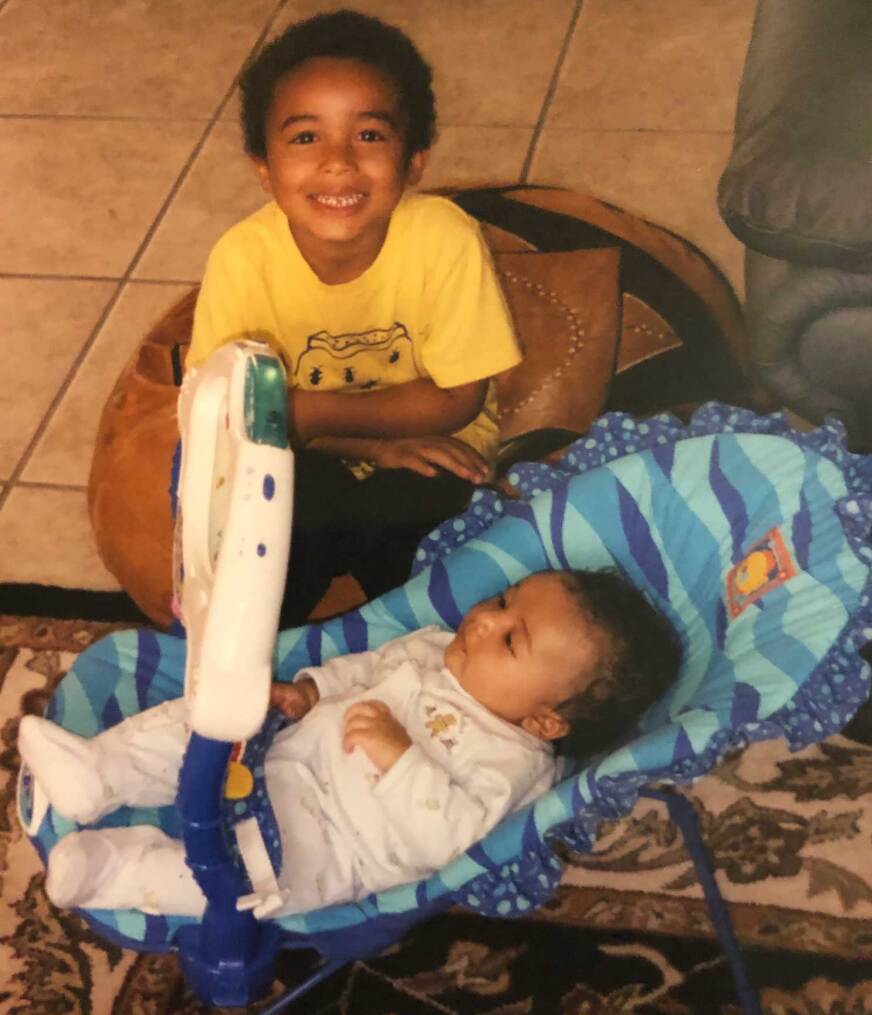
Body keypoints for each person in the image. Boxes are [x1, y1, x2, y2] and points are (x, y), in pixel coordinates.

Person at [18, 570, 681, 919]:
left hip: (332, 845)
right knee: (208, 713)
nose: (483, 619)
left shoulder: (514, 762)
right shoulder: (431, 646)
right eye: (504, 600)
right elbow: (362, 669)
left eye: (511, 639)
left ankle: (114, 868)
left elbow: (449, 839)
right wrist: (309, 691)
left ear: (544, 720)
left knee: (235, 883)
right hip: (287, 750)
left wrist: (401, 755)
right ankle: (99, 773)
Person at [186, 9, 522, 626]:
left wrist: (305, 413)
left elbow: (457, 398)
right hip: (306, 452)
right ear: (263, 166)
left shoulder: (445, 237)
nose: (338, 162)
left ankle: (411, 651)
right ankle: (251, 668)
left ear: (415, 160)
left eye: (369, 135)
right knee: (268, 513)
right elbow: (233, 414)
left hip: (435, 450)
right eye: (305, 137)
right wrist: (352, 441)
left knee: (430, 536)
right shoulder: (241, 258)